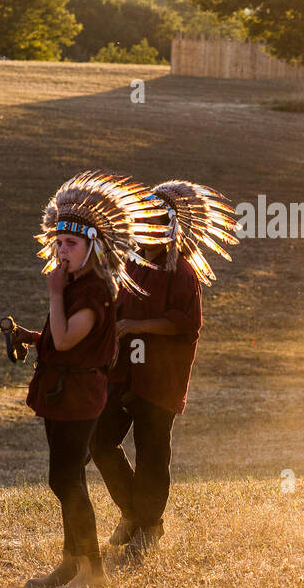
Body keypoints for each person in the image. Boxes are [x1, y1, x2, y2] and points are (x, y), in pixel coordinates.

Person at [16, 172, 165, 588]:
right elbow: (57, 340)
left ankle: (93, 569)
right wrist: (31, 336)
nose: (62, 250)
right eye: (59, 242)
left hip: (80, 398)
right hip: (60, 392)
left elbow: (66, 338)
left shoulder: (94, 290)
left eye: (72, 244)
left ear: (93, 248)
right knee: (63, 478)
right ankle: (70, 561)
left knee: (67, 480)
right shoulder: (76, 284)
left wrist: (53, 295)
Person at [90, 179, 239, 561]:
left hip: (159, 376)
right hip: (123, 372)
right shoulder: (133, 265)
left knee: (152, 453)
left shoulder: (181, 272)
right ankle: (133, 513)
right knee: (101, 441)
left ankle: (149, 525)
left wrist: (138, 327)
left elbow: (186, 324)